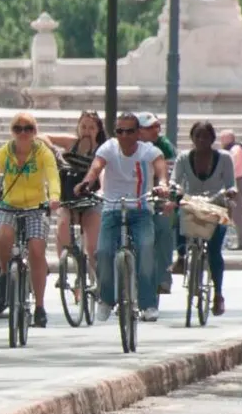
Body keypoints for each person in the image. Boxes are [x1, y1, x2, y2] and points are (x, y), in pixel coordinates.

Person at [76, 111, 169, 321]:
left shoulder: (148, 151)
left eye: (129, 131)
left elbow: (160, 166)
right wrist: (87, 182)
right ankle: (106, 299)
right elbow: (96, 166)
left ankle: (148, 304)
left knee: (146, 249)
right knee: (103, 251)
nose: (124, 136)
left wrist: (162, 184)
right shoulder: (108, 148)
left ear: (138, 133)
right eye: (119, 131)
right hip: (112, 209)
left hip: (141, 208)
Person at [0, 111, 62, 328]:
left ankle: (39, 306)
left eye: (28, 128)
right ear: (12, 132)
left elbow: (52, 177)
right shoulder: (4, 152)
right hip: (9, 205)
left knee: (37, 250)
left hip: (36, 207)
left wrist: (54, 197)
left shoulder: (42, 153)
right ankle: (3, 274)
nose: (22, 133)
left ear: (35, 132)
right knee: (2, 236)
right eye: (17, 129)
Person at [174, 120, 235, 315]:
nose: (201, 140)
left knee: (215, 250)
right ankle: (182, 256)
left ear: (212, 139)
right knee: (178, 215)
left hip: (216, 205)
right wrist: (174, 189)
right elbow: (175, 179)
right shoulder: (183, 158)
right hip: (192, 203)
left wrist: (231, 192)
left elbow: (230, 183)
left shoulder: (224, 158)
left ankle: (217, 294)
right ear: (192, 138)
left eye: (206, 136)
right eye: (197, 136)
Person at [53, 111, 105, 269]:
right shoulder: (71, 143)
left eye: (91, 128)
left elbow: (102, 172)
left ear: (98, 130)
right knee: (62, 224)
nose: (87, 131)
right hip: (69, 199)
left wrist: (101, 190)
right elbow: (42, 136)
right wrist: (55, 152)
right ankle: (66, 266)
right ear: (78, 127)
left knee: (92, 247)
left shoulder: (102, 150)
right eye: (83, 126)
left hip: (91, 199)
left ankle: (93, 278)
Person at [137, 112, 176, 295]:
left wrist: (166, 194)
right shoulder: (129, 146)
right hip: (133, 197)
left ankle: (164, 276)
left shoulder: (164, 146)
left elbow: (168, 175)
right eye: (149, 128)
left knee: (164, 228)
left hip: (157, 196)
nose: (155, 131)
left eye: (156, 127)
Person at [219, 129, 242, 249]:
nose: (221, 141)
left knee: (238, 214)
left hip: (236, 181)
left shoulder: (236, 150)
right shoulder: (231, 150)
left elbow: (232, 166)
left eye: (223, 138)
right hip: (233, 182)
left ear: (229, 138)